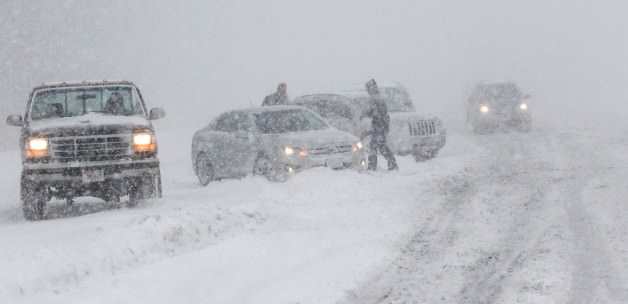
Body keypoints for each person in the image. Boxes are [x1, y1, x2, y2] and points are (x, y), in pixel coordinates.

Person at [362, 79, 398, 171]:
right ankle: (391, 164)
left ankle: (373, 166)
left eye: (368, 88)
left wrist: (365, 115)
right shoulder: (377, 98)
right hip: (380, 126)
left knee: (375, 146)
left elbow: (376, 113)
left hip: (379, 126)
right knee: (380, 146)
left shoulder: (376, 99)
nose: (368, 90)